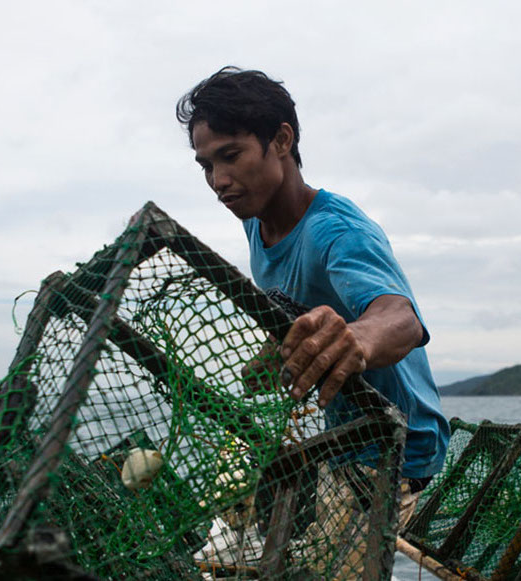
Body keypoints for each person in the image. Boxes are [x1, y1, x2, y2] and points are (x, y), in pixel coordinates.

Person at [176, 66, 449, 574]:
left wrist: (356, 340)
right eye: (206, 166)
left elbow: (400, 318)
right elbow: (297, 312)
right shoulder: (259, 226)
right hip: (340, 436)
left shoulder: (336, 233)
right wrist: (275, 356)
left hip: (394, 450)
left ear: (282, 140)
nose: (218, 182)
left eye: (231, 156)